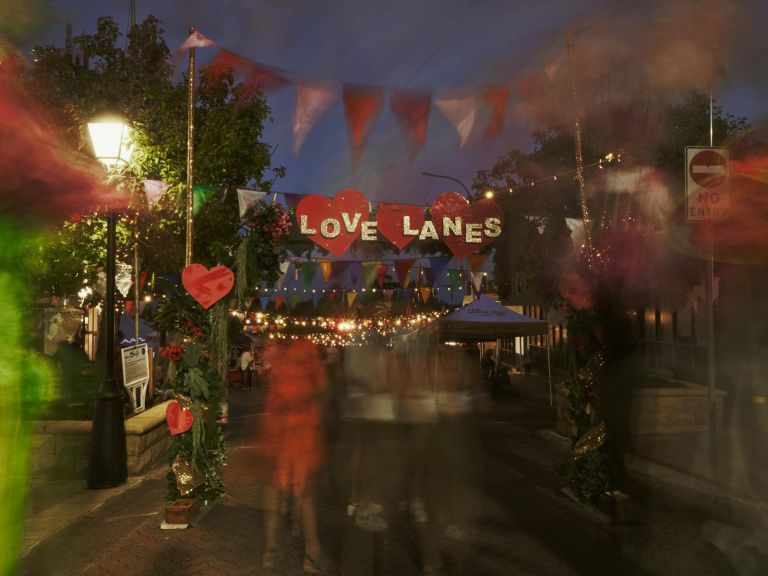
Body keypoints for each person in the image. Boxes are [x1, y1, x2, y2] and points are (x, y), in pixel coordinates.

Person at [259, 339, 331, 574]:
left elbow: (268, 379)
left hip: (278, 429)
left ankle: (271, 550)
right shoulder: (308, 349)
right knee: (305, 494)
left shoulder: (274, 350)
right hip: (300, 431)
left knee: (275, 493)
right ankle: (312, 552)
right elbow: (322, 389)